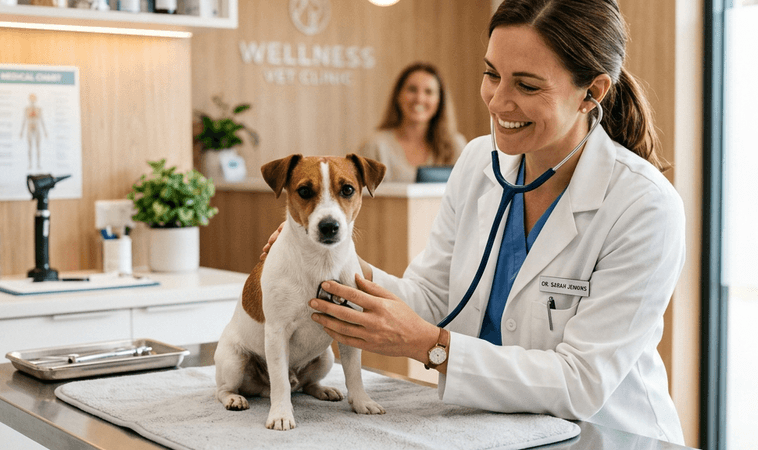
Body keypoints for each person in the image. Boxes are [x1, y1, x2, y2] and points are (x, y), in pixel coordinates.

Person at [265, 0, 685, 445]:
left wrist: (431, 347)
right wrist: (340, 267)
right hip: (490, 429)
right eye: (491, 74)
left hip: (605, 435)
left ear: (592, 92)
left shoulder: (644, 206)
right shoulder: (478, 161)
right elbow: (431, 296)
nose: (498, 101)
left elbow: (580, 382)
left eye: (526, 85)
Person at [357, 62, 467, 182]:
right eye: (412, 90)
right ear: (398, 95)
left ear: (439, 101)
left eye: (428, 92)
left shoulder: (455, 145)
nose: (419, 98)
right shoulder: (375, 146)